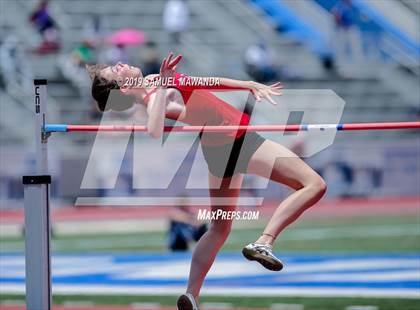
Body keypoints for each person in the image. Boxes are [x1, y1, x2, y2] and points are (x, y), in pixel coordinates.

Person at [87, 53, 327, 310]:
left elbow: (207, 83)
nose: (121, 63)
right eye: (116, 69)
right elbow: (154, 130)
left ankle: (191, 294)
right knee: (314, 184)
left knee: (219, 229)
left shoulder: (155, 81)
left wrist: (249, 85)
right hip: (236, 141)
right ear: (124, 86)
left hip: (219, 148)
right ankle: (265, 241)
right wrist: (164, 86)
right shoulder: (152, 96)